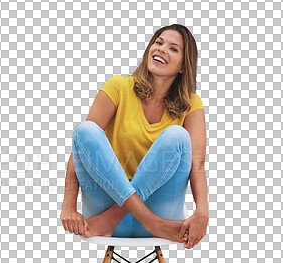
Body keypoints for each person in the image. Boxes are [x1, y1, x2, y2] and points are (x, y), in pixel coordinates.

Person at [60, 24, 209, 249]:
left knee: (177, 136)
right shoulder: (119, 86)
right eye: (158, 43)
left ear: (183, 66)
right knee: (85, 131)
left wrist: (203, 212)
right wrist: (68, 206)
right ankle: (148, 222)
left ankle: (125, 218)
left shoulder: (191, 103)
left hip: (156, 210)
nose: (161, 49)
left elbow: (196, 165)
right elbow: (81, 149)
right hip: (111, 208)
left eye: (173, 48)